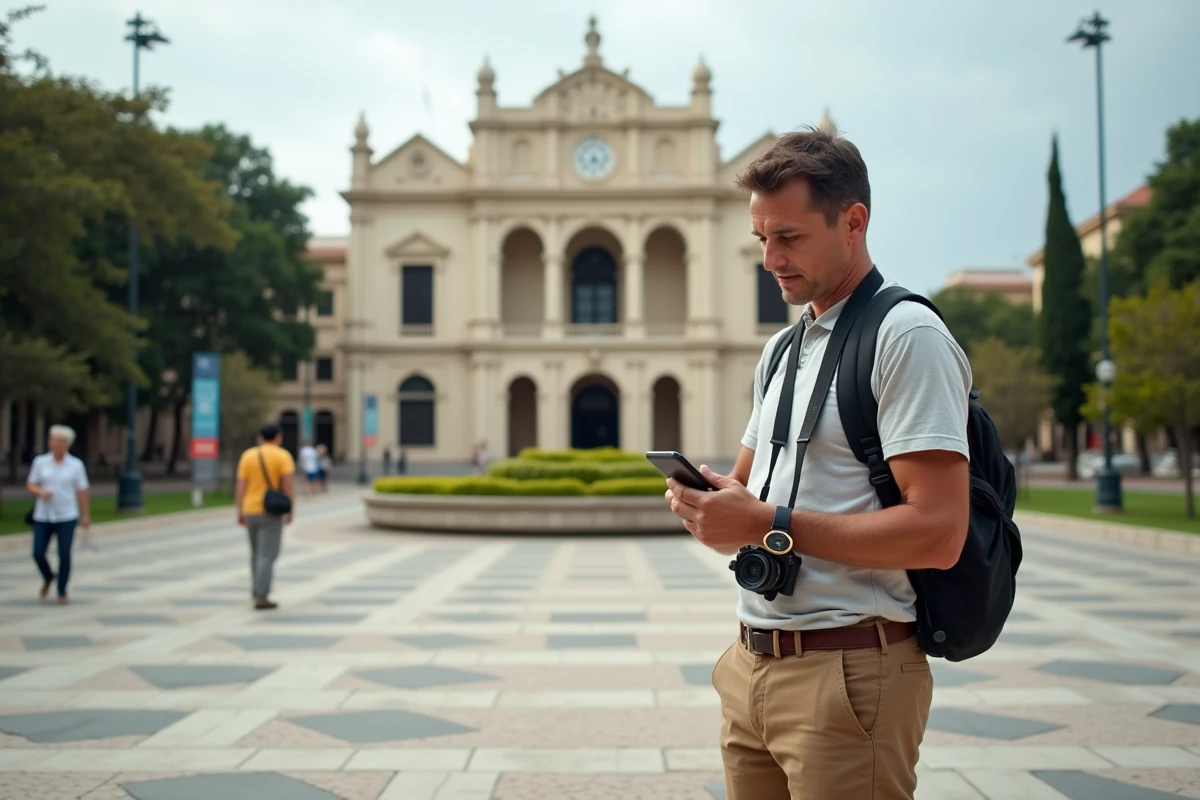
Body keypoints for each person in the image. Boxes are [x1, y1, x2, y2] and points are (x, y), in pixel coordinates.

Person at [664, 127, 972, 799]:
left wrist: (767, 522)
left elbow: (941, 533)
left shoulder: (906, 337)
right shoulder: (782, 350)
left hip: (851, 671)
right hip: (754, 663)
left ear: (854, 222)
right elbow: (750, 489)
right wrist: (712, 501)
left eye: (791, 238)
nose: (770, 259)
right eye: (760, 240)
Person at [26, 425, 90, 605]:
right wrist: (40, 492)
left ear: (67, 444)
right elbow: (30, 484)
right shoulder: (40, 462)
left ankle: (62, 591)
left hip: (67, 514)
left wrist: (85, 515)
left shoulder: (76, 465)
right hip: (43, 515)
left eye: (59, 441)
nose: (54, 444)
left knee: (64, 553)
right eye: (52, 440)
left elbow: (82, 491)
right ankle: (48, 576)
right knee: (38, 552)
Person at [235, 423, 295, 610]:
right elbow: (287, 485)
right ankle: (262, 595)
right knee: (268, 554)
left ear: (260, 437)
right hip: (271, 510)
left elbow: (240, 486)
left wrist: (239, 510)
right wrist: (290, 509)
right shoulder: (283, 456)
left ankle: (256, 590)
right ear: (278, 437)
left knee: (255, 553)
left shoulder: (248, 456)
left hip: (250, 509)